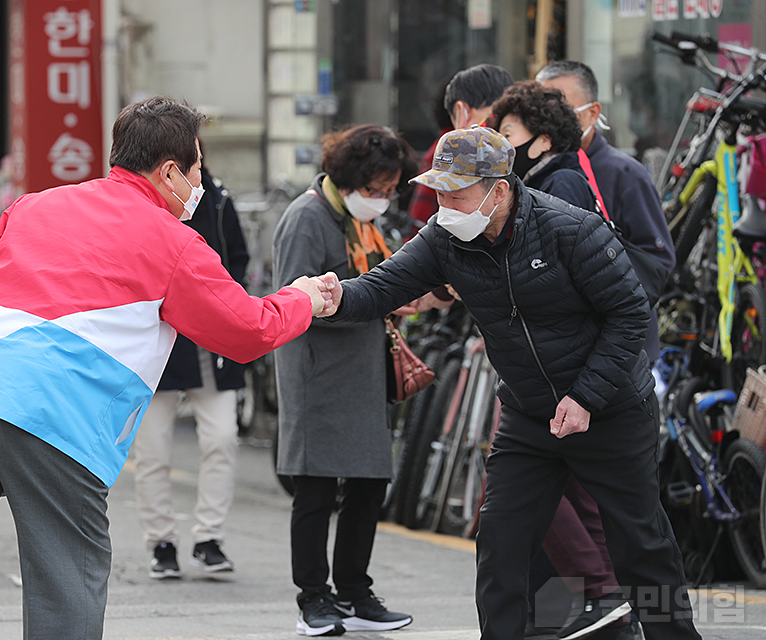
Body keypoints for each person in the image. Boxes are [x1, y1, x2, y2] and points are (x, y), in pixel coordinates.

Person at [0, 96, 335, 640]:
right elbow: (246, 332)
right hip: (56, 415)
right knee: (67, 573)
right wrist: (302, 298)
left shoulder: (34, 207)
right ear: (169, 172)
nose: (199, 181)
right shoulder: (175, 243)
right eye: (195, 168)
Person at [316, 127, 701, 640]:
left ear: (498, 189)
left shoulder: (570, 230)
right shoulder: (444, 237)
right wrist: (329, 297)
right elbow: (383, 287)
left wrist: (586, 395)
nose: (445, 205)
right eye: (440, 192)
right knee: (501, 540)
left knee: (640, 544)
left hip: (608, 408)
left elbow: (630, 315)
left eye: (458, 193)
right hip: (529, 412)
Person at [490, 82, 639, 640]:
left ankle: (603, 593)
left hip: (575, 367)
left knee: (531, 486)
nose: (502, 144)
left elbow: (558, 280)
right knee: (581, 491)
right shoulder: (549, 180)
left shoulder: (560, 186)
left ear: (542, 137)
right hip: (574, 366)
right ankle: (613, 606)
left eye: (508, 134)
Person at [273, 124, 417, 637]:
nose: (381, 200)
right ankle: (314, 597)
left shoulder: (359, 223)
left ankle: (355, 591)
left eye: (389, 190)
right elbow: (294, 299)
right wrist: (377, 302)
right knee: (315, 490)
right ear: (348, 178)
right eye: (375, 189)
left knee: (368, 482)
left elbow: (383, 282)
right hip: (318, 373)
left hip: (363, 371)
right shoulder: (307, 217)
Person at [131, 157, 249, 579]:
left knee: (222, 439)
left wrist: (227, 307)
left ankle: (209, 537)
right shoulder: (144, 201)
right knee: (153, 451)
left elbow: (238, 258)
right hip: (158, 343)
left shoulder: (217, 199)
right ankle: (161, 541)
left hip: (212, 341)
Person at [536, 60, 675, 363]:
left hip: (619, 354)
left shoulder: (625, 174)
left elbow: (658, 262)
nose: (548, 119)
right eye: (539, 109)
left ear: (593, 112)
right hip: (557, 351)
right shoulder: (535, 169)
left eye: (560, 107)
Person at [408, 66, 514, 231]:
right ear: (462, 112)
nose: (500, 130)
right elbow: (418, 227)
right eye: (494, 117)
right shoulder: (445, 155)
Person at [489, 80, 597, 212]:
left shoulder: (563, 184)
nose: (501, 145)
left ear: (545, 141)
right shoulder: (534, 182)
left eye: (507, 135)